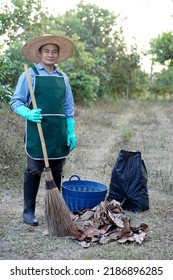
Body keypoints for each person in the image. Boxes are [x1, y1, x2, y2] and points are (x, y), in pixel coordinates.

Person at [10, 34, 77, 226]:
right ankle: (28, 211)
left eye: (54, 51)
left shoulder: (62, 78)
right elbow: (16, 101)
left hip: (58, 131)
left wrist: (71, 131)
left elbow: (68, 107)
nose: (50, 54)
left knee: (57, 168)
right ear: (39, 54)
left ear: (58, 55)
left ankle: (53, 209)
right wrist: (28, 113)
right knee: (34, 169)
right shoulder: (29, 75)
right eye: (46, 51)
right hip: (37, 129)